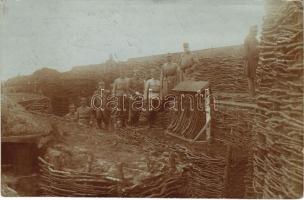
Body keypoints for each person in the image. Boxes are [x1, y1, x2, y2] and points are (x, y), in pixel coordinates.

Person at [244, 25, 259, 97]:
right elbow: (253, 50)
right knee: (252, 77)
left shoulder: (253, 38)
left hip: (252, 61)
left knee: (251, 77)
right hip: (251, 62)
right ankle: (253, 95)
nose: (256, 32)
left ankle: (252, 94)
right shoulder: (250, 39)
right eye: (255, 31)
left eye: (257, 31)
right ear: (252, 31)